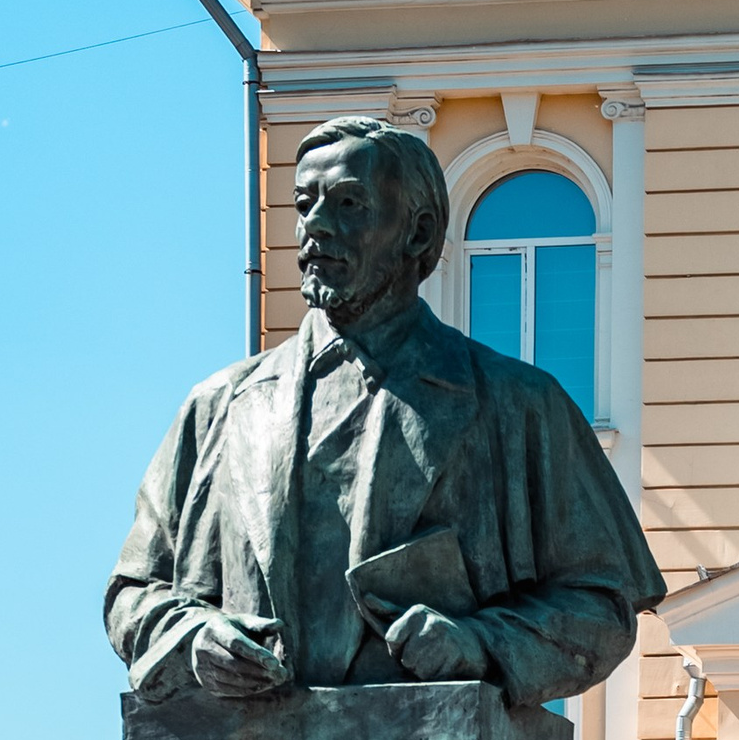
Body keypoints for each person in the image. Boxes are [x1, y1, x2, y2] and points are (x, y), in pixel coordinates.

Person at [108, 116, 664, 709]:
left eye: (350, 204)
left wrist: (480, 643)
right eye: (304, 204)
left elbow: (600, 605)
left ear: (419, 235)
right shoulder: (219, 408)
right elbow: (134, 593)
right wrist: (197, 638)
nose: (315, 227)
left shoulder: (520, 406)